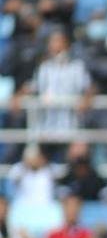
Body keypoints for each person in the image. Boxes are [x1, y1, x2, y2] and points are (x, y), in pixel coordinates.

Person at [16, 29, 93, 158]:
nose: (55, 45)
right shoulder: (44, 68)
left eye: (59, 42)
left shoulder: (77, 67)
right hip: (47, 128)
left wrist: (86, 99)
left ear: (67, 44)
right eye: (52, 42)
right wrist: (17, 96)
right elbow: (33, 86)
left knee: (72, 162)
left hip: (70, 127)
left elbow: (89, 87)